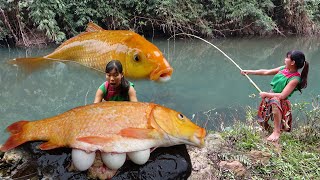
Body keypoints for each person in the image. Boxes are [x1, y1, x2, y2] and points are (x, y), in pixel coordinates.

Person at [241, 50, 309, 142]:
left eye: (287, 58)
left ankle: (276, 132)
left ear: (293, 62)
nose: (285, 59)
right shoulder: (283, 69)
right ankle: (270, 131)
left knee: (275, 102)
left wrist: (266, 94)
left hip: (279, 101)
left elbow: (282, 95)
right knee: (262, 121)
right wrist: (249, 72)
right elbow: (266, 72)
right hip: (271, 95)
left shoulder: (295, 79)